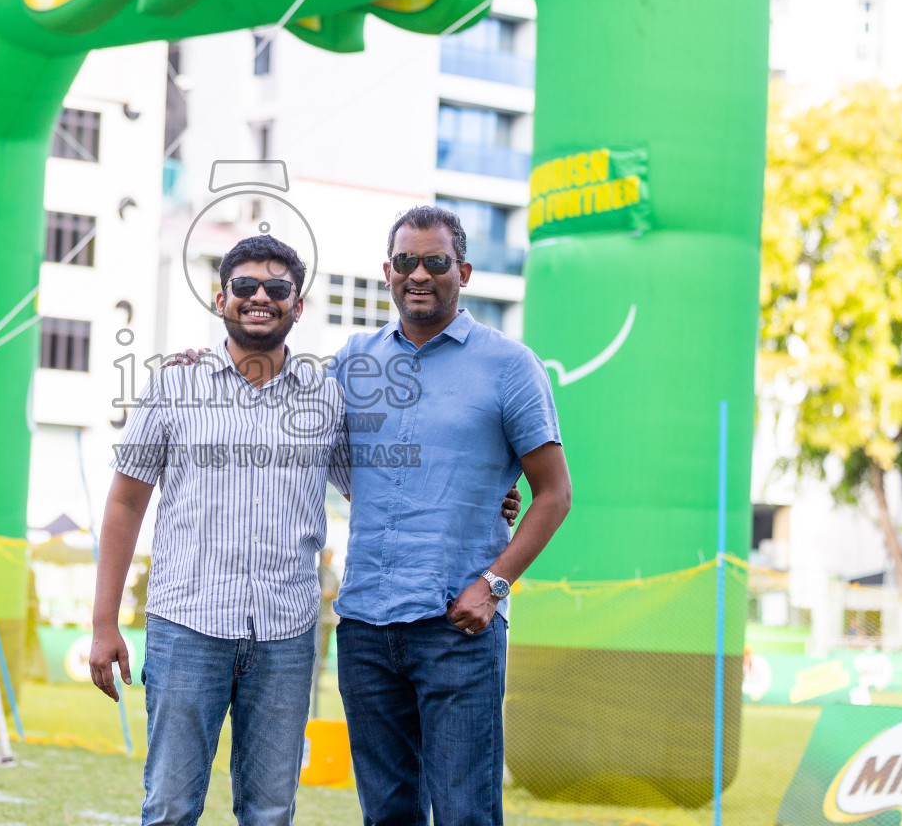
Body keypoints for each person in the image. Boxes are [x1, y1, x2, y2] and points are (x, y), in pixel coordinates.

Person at [91, 235, 352, 826]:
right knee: (170, 808)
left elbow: (377, 491)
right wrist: (104, 622)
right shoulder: (172, 385)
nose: (260, 297)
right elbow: (126, 502)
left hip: (286, 636)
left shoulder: (326, 397)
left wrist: (490, 496)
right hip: (187, 627)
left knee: (269, 812)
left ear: (298, 305)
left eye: (277, 288)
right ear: (220, 299)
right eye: (245, 286)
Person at [331, 206, 572, 826]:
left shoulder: (511, 365)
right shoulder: (352, 361)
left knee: (466, 813)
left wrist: (494, 586)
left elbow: (553, 494)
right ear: (387, 272)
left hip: (457, 629)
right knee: (387, 814)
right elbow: (311, 445)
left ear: (462, 271)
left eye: (435, 262)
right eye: (406, 261)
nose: (419, 274)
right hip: (365, 627)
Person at [313, 547, 338, 717]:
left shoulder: (332, 575)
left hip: (327, 618)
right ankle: (312, 679)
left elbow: (336, 592)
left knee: (323, 650)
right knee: (314, 649)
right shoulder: (315, 571)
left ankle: (319, 679)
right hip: (316, 618)